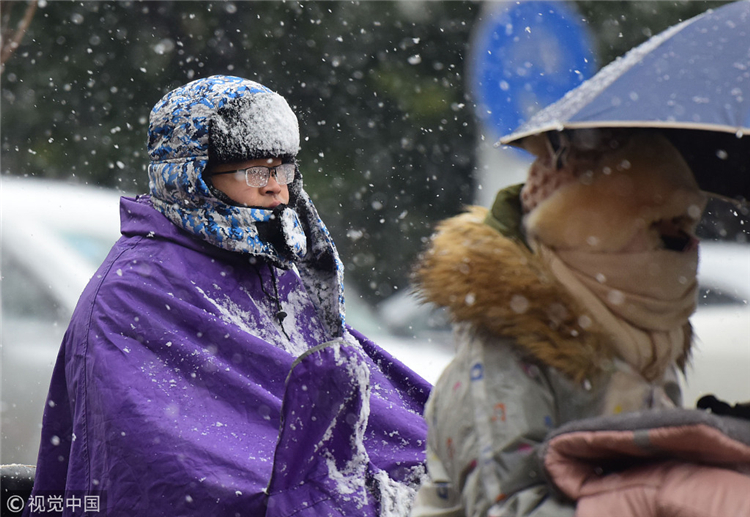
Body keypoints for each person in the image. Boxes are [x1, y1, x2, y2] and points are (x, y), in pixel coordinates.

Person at [25, 75, 429, 517]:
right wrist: (325, 499)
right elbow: (174, 475)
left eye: (284, 169)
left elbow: (384, 419)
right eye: (258, 171)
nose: (278, 187)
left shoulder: (271, 273)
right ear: (190, 176)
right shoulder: (133, 294)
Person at [407, 129, 726, 516]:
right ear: (594, 228)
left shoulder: (646, 346)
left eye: (687, 225)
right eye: (662, 226)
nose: (686, 243)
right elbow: (507, 507)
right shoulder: (503, 358)